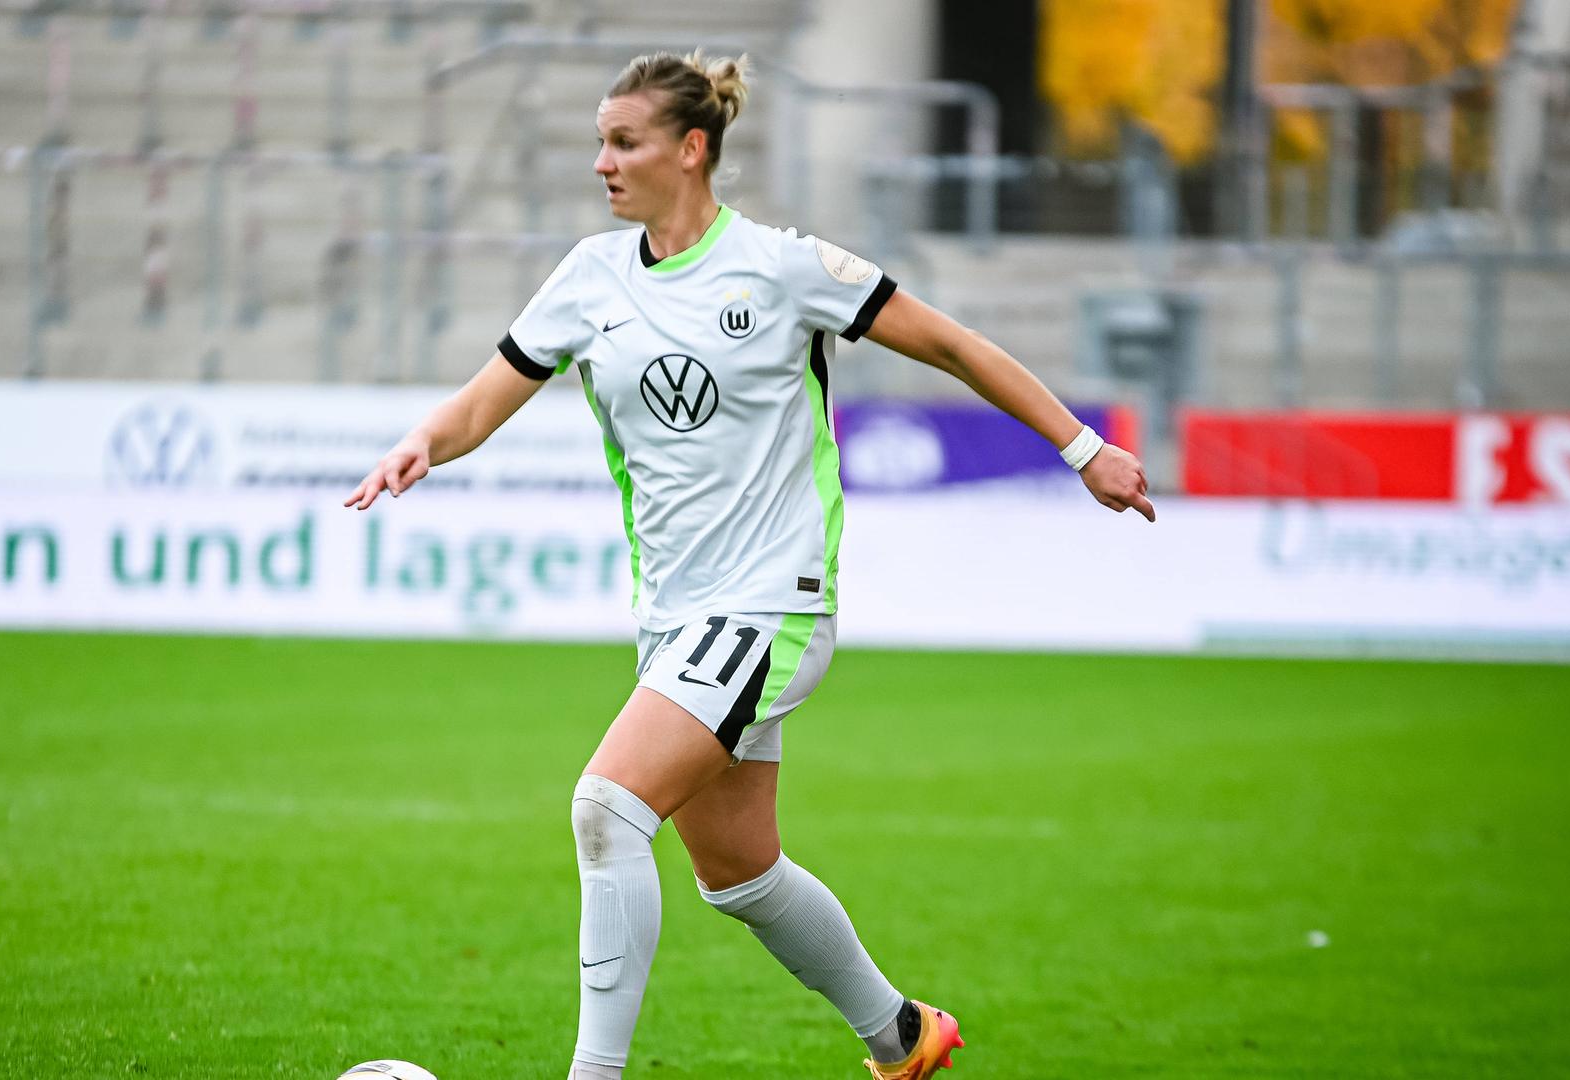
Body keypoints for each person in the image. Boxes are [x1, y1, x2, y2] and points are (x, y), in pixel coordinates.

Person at [345, 49, 1154, 1080]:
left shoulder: (781, 267)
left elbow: (950, 346)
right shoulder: (590, 278)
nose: (602, 161)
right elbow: (481, 399)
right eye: (599, 140)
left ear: (691, 150)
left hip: (772, 604)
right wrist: (423, 445)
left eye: (623, 141)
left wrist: (1083, 449)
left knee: (606, 809)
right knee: (738, 872)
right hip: (679, 618)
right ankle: (903, 1038)